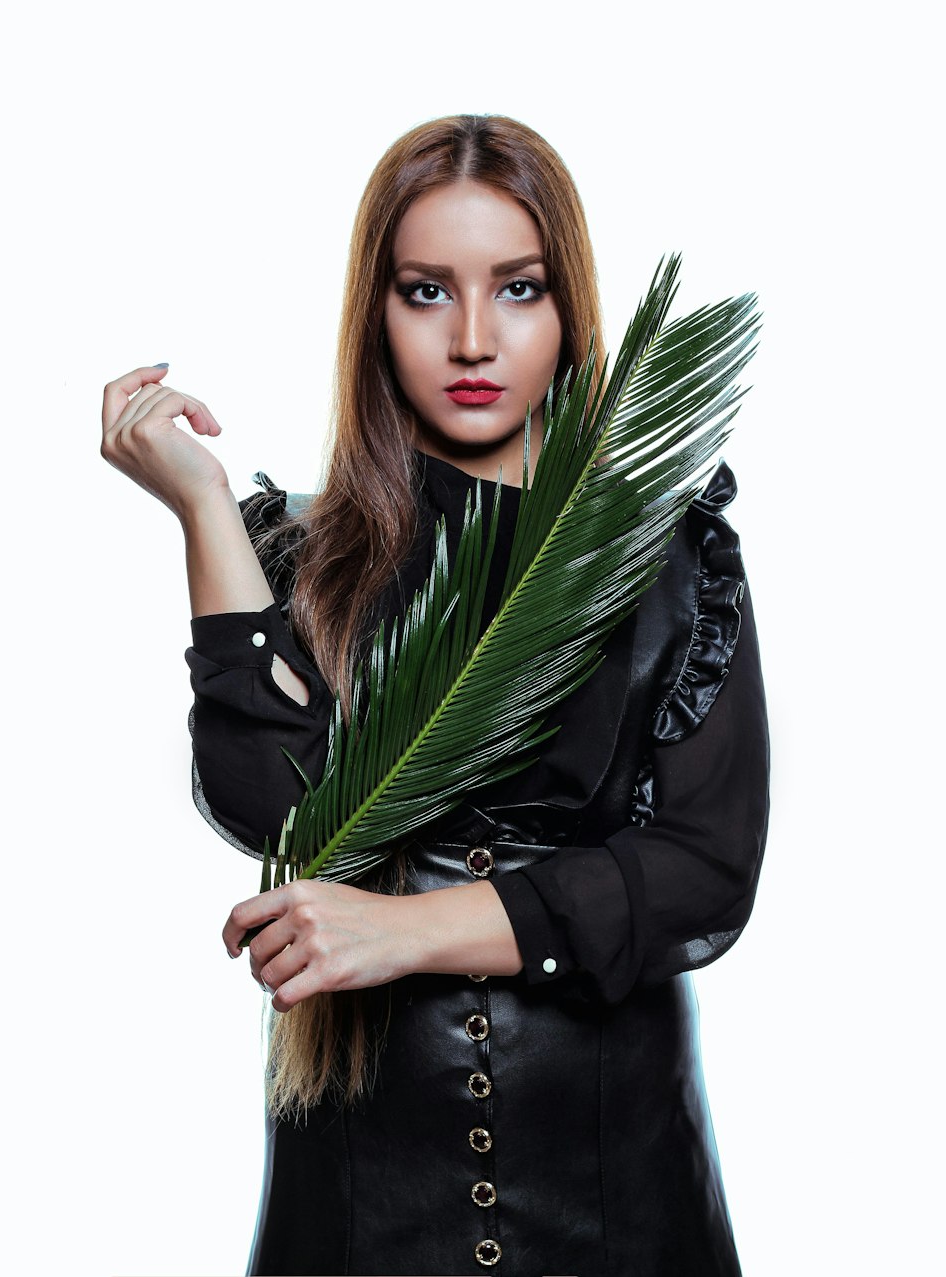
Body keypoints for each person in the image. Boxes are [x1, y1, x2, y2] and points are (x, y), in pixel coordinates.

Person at [101, 114, 769, 1277]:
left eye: (516, 288)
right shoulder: (299, 553)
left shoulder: (666, 553)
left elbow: (703, 871)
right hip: (363, 1202)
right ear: (377, 313)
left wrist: (402, 929)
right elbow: (275, 809)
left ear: (569, 309)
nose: (472, 337)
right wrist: (205, 510)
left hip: (619, 1195)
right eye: (424, 292)